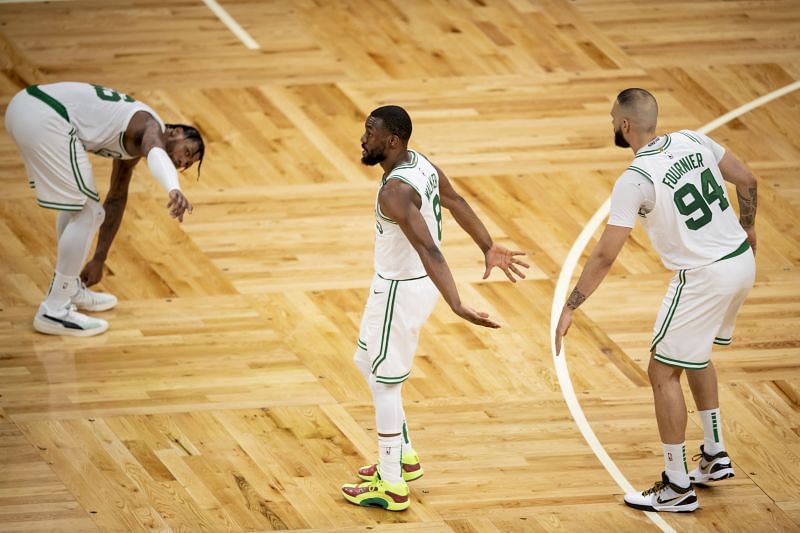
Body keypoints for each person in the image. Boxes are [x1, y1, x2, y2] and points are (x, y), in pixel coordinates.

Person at [555, 88, 757, 513]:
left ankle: (676, 485)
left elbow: (607, 254)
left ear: (625, 125)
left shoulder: (635, 179)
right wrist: (749, 227)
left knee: (661, 372)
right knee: (696, 355)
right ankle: (715, 455)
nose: (611, 124)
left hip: (703, 277)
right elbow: (747, 179)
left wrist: (572, 304)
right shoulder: (692, 139)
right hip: (741, 262)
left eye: (613, 118)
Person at [341, 105, 529, 511]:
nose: (363, 138)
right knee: (365, 362)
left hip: (400, 290)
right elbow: (456, 200)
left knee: (385, 382)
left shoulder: (394, 192)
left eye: (370, 132)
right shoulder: (419, 163)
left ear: (391, 141)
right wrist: (488, 245)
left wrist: (457, 303)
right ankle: (403, 458)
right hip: (403, 286)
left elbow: (429, 248)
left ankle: (391, 485)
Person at [5, 81, 204, 337]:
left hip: (26, 110)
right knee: (89, 212)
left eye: (187, 163)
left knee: (78, 206)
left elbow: (117, 198)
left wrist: (100, 257)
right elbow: (156, 153)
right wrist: (172, 187)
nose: (182, 161)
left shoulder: (134, 146)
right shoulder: (151, 126)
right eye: (186, 151)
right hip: (45, 115)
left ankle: (69, 288)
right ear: (175, 131)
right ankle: (54, 310)